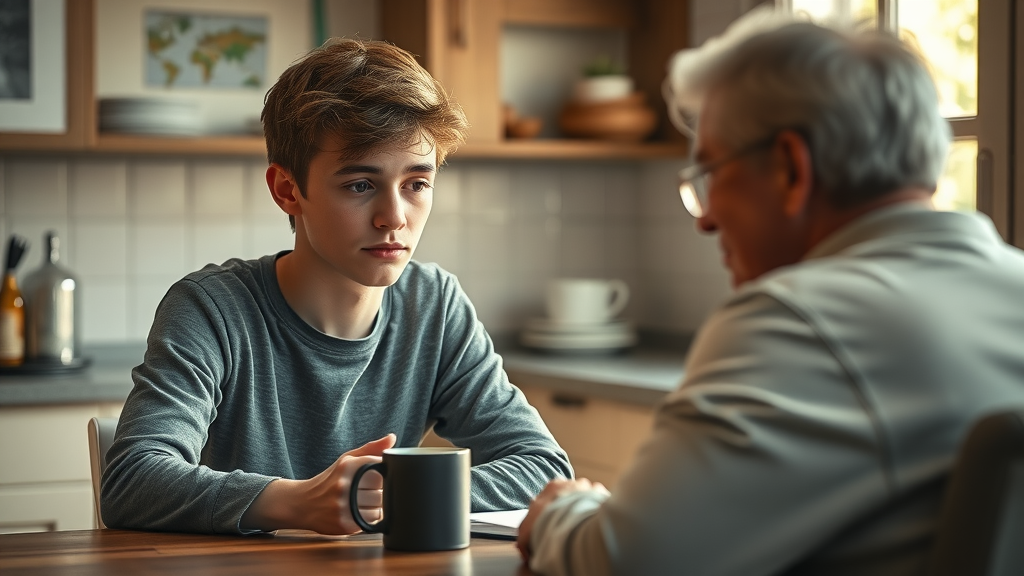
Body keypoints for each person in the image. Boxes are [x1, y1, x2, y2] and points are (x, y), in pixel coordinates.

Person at [517, 9, 1024, 576]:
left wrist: (566, 512)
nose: (705, 221)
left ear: (789, 168)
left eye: (710, 174)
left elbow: (628, 564)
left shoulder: (800, 320)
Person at [101, 38, 572, 535]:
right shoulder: (212, 309)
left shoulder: (434, 305)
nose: (394, 217)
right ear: (287, 190)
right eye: (360, 185)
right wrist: (298, 501)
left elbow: (543, 468)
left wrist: (387, 491)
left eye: (417, 183)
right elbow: (132, 480)